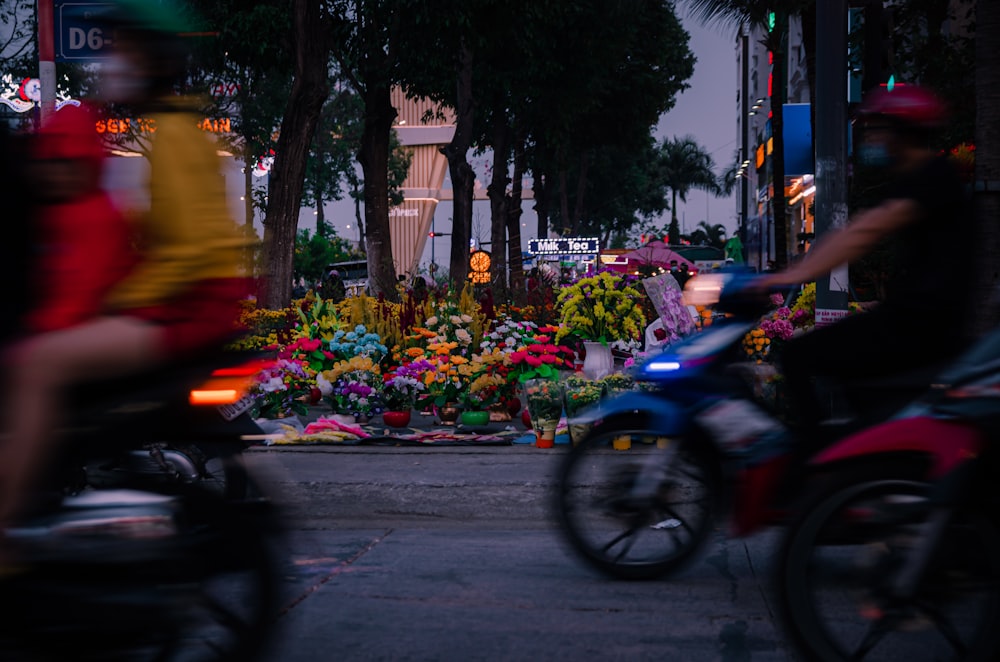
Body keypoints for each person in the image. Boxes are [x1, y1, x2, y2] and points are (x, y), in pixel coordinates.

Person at [0, 0, 252, 526]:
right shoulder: (171, 131)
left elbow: (190, 252)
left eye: (126, 50)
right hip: (187, 307)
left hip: (186, 313)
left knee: (36, 365)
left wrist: (124, 298)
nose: (113, 63)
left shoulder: (176, 138)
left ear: (154, 58)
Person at [757, 85, 974, 433]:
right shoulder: (918, 179)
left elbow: (860, 235)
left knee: (797, 356)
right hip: (915, 322)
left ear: (902, 133)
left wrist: (778, 278)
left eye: (878, 129)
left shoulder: (931, 180)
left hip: (919, 329)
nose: (871, 137)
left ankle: (813, 459)